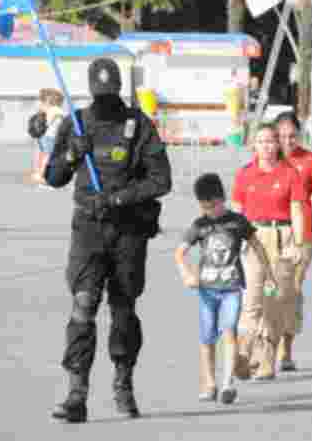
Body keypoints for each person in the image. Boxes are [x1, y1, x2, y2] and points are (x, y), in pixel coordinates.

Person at [47, 57, 172, 423]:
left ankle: (123, 381)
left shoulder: (138, 124)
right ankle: (76, 393)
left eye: (110, 94)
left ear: (119, 89)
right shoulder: (76, 123)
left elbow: (160, 180)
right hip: (88, 229)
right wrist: (72, 154)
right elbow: (53, 176)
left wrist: (119, 197)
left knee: (123, 310)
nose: (105, 102)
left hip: (128, 231)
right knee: (82, 306)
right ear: (90, 91)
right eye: (99, 96)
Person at [174, 173, 272, 404]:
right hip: (206, 290)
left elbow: (258, 247)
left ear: (222, 199)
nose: (208, 211)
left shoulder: (237, 221)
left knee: (229, 331)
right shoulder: (200, 225)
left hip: (232, 287)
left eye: (212, 206)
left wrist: (268, 275)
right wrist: (187, 274)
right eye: (204, 207)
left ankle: (228, 383)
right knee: (207, 337)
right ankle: (209, 382)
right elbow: (179, 253)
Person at [231, 123, 307, 381]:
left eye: (271, 141)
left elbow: (297, 210)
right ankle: (244, 352)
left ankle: (267, 359)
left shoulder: (290, 174)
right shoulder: (245, 174)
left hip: (281, 236)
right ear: (254, 145)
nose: (266, 146)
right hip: (253, 238)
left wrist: (297, 242)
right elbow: (237, 209)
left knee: (274, 300)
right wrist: (233, 241)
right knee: (251, 299)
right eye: (261, 141)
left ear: (278, 145)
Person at [275, 111, 312, 368]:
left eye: (292, 136)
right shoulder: (266, 159)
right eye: (281, 136)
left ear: (299, 136)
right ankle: (266, 343)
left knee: (291, 291)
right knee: (269, 290)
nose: (287, 142)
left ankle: (285, 348)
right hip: (270, 234)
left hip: (303, 236)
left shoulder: (310, 161)